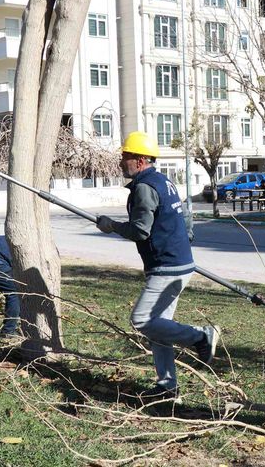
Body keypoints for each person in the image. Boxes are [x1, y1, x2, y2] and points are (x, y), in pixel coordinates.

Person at [96, 131, 219, 403]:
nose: (121, 162)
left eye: (125, 156)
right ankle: (167, 387)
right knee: (159, 328)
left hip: (167, 266)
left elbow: (140, 231)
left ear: (140, 160)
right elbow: (185, 217)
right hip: (179, 262)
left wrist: (110, 226)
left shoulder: (144, 187)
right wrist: (184, 240)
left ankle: (201, 336)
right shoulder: (164, 181)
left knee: (142, 320)